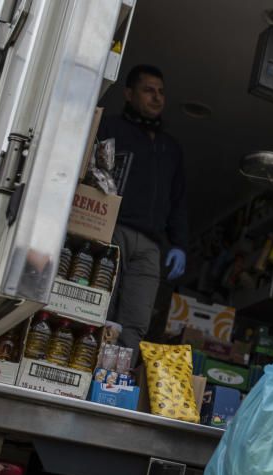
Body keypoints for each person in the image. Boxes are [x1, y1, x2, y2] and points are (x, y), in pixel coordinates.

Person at [99, 64, 188, 351]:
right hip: (113, 230)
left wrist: (179, 244)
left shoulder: (170, 147)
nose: (157, 97)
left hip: (151, 246)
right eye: (148, 90)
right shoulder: (110, 128)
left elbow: (178, 199)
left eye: (161, 92)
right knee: (101, 306)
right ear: (128, 93)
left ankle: (114, 382)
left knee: (137, 319)